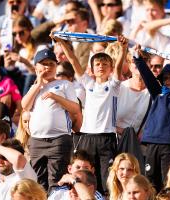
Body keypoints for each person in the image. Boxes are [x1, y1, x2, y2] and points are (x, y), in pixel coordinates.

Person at [52, 35, 128, 194]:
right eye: (98, 64)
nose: (101, 67)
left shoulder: (113, 85)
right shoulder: (88, 84)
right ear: (92, 69)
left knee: (106, 178)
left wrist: (123, 47)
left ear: (110, 68)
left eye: (105, 64)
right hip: (87, 137)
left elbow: (120, 65)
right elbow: (72, 60)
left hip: (106, 137)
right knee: (85, 178)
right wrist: (61, 42)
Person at [21, 48, 80, 192]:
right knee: (38, 180)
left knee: (56, 180)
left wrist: (56, 97)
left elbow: (75, 109)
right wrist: (39, 84)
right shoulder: (34, 87)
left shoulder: (65, 84)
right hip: (37, 140)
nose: (47, 67)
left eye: (51, 64)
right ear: (36, 67)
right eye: (43, 64)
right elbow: (25, 106)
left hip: (58, 139)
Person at [134, 45, 170, 191]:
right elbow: (147, 77)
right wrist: (138, 59)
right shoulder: (157, 93)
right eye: (165, 78)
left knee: (167, 180)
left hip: (168, 143)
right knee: (150, 179)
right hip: (151, 142)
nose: (168, 80)